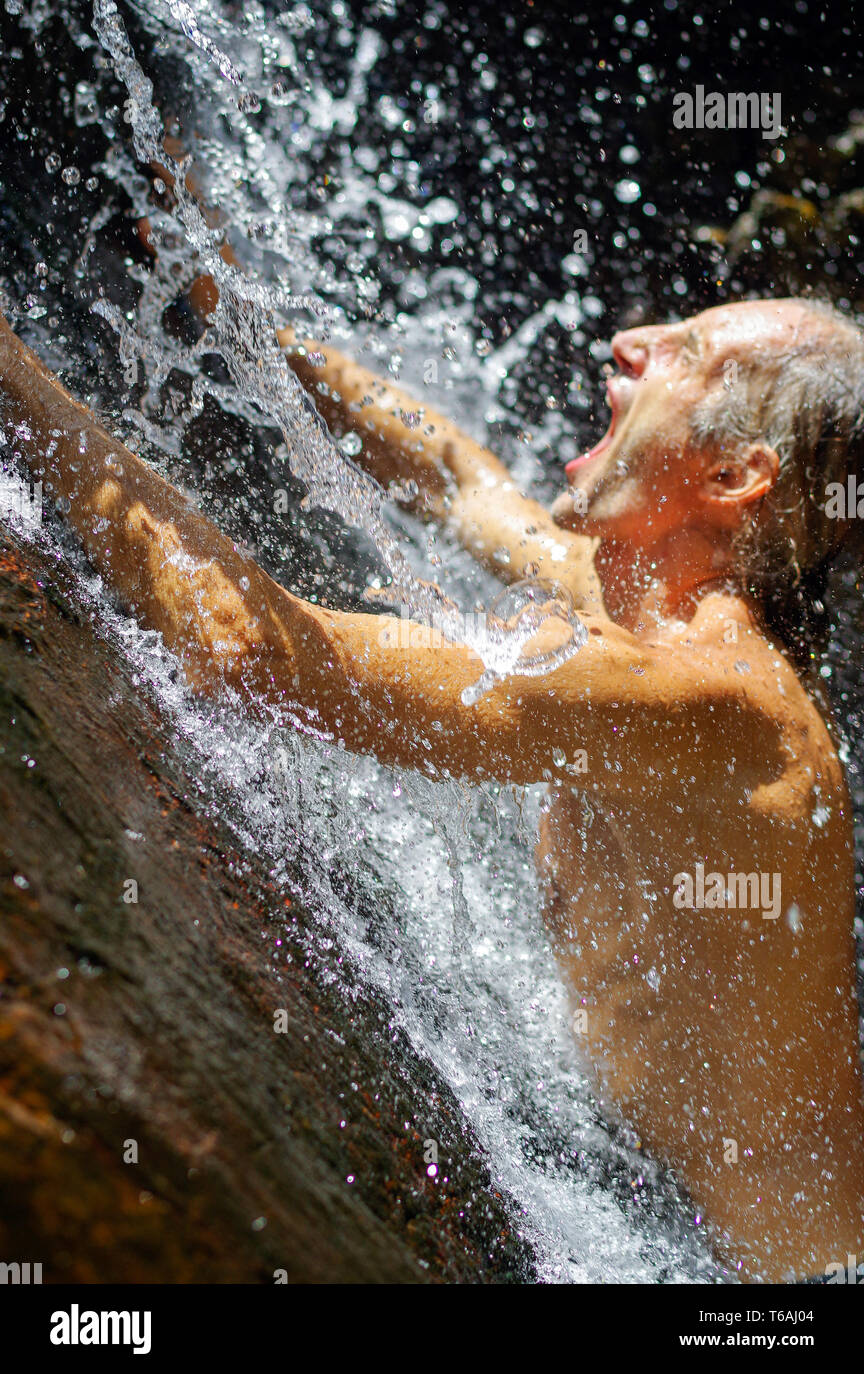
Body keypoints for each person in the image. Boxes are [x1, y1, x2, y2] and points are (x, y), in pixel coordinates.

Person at [2, 273, 864, 1282]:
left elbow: (250, 653)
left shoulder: (708, 700)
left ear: (730, 480)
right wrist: (228, 308)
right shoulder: (637, 595)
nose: (631, 339)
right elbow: (454, 474)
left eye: (686, 352)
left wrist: (15, 381)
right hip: (649, 1195)